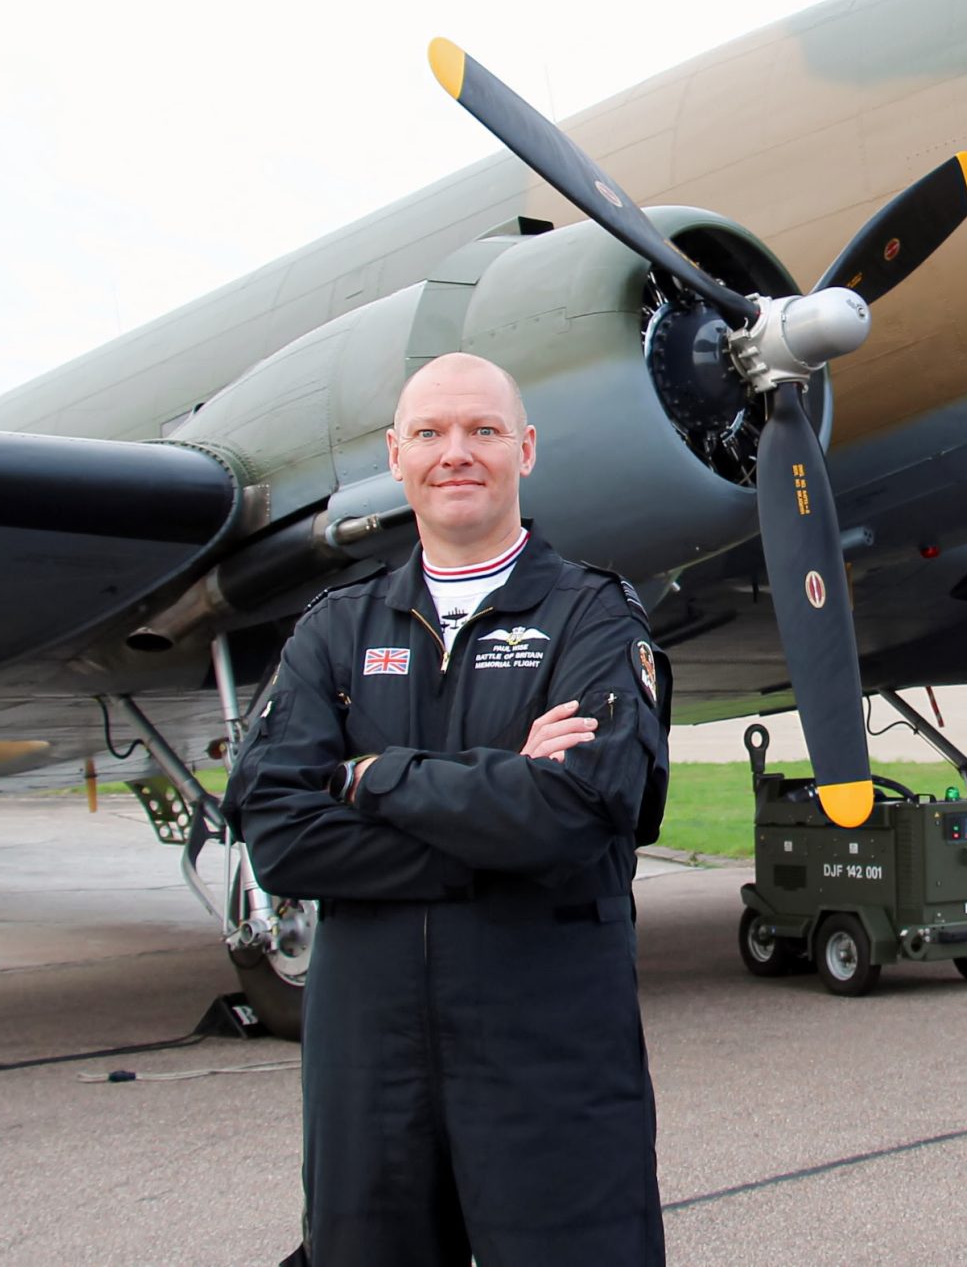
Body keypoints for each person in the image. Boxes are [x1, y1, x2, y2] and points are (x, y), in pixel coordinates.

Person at [226, 352, 669, 1266]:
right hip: (369, 1073)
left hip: (551, 1065)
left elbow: (576, 810)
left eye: (483, 430)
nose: (455, 452)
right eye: (429, 432)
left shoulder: (595, 617)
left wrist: (375, 776)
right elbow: (278, 831)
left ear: (526, 449)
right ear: (396, 455)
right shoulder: (335, 628)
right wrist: (500, 812)